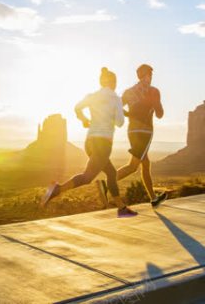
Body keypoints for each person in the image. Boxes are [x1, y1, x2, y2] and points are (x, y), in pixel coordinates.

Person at [41, 67, 138, 217]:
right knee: (87, 177)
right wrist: (116, 113)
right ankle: (57, 189)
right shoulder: (115, 98)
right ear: (113, 83)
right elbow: (119, 122)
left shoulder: (92, 96)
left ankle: (121, 208)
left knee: (111, 173)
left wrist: (84, 119)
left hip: (90, 141)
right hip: (103, 143)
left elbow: (77, 108)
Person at [115, 64, 167, 208]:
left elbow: (117, 107)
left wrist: (130, 114)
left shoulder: (129, 92)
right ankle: (107, 184)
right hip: (145, 132)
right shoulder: (153, 91)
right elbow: (160, 114)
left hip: (131, 131)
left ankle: (153, 198)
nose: (151, 78)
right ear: (148, 75)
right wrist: (155, 104)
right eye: (151, 74)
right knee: (133, 166)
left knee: (145, 163)